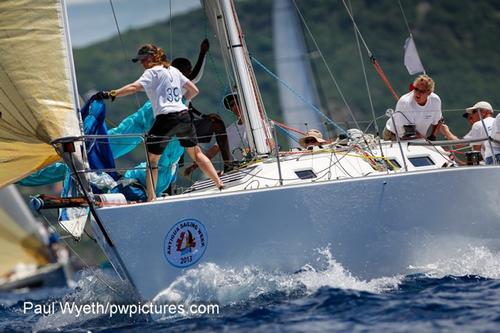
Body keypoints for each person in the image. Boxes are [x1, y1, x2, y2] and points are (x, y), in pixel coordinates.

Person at [97, 44, 223, 201]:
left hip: (166, 118)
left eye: (142, 60)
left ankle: (151, 198)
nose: (142, 64)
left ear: (150, 58)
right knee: (197, 154)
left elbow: (134, 87)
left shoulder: (152, 72)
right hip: (183, 115)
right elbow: (194, 90)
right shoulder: (174, 70)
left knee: (152, 161)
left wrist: (112, 93)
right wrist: (184, 102)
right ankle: (220, 185)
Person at [170, 40, 233, 176]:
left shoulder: (176, 87)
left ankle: (228, 165)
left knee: (217, 122)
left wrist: (204, 116)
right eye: (188, 69)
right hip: (178, 131)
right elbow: (195, 76)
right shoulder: (176, 82)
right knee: (218, 125)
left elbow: (190, 107)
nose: (191, 71)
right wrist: (202, 53)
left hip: (183, 128)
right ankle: (228, 164)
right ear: (180, 71)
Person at [384, 74, 442, 140]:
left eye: (422, 91)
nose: (417, 93)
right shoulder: (405, 103)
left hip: (417, 137)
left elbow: (439, 120)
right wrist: (425, 141)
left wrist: (433, 136)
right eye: (416, 89)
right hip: (395, 135)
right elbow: (410, 133)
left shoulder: (435, 100)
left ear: (429, 93)